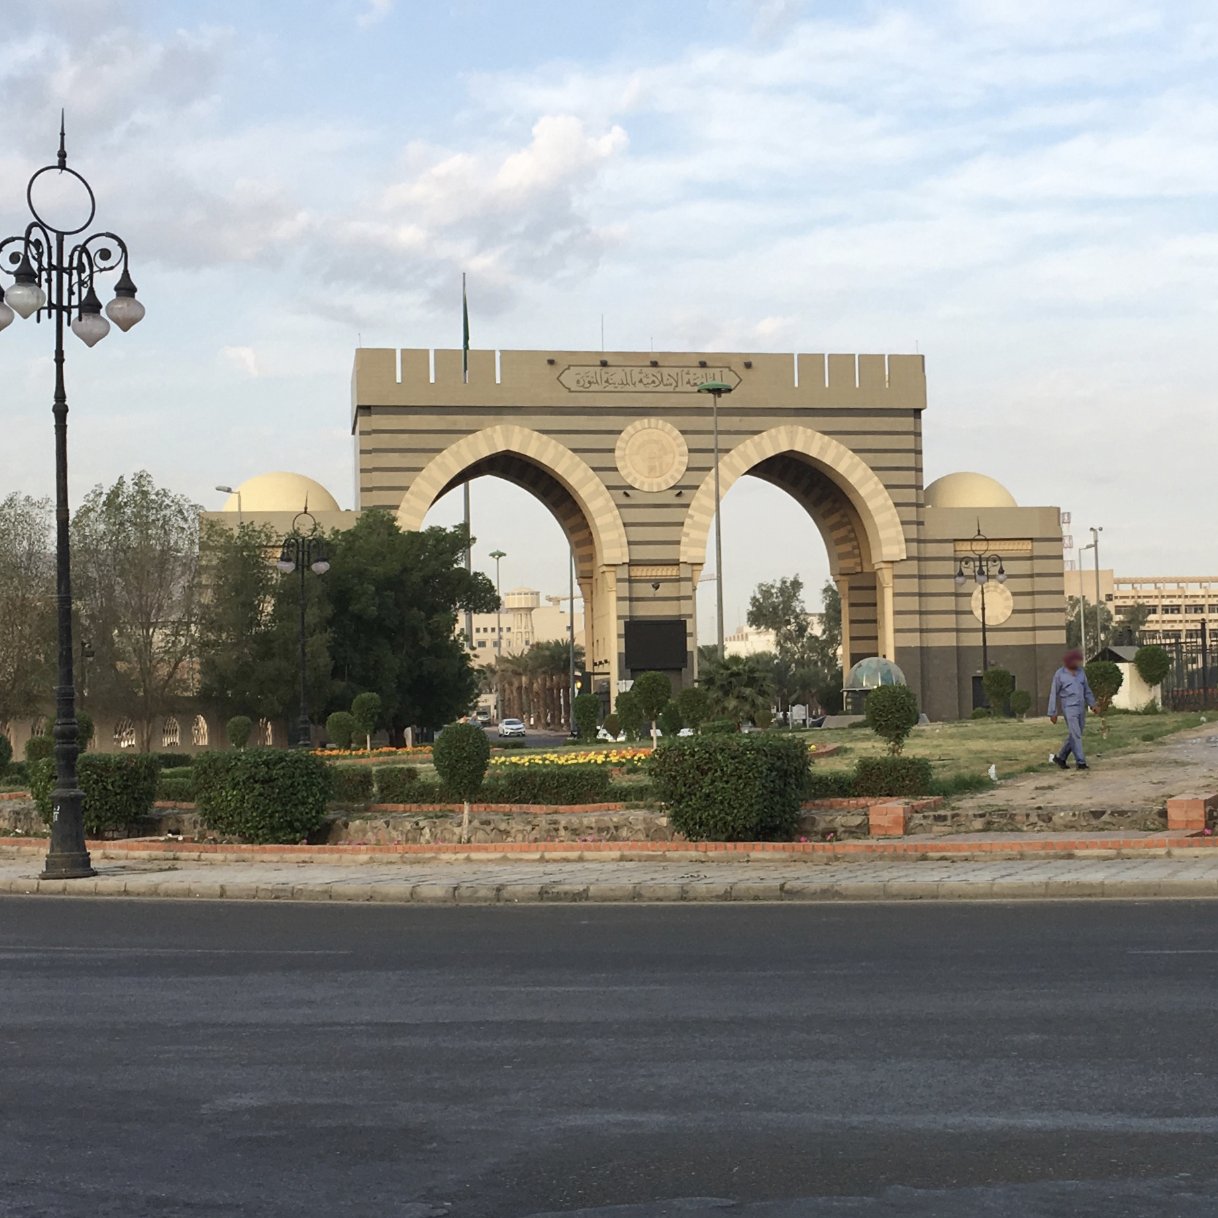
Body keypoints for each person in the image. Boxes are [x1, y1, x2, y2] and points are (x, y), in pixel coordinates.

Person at [1047, 649, 1098, 770]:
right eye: (1074, 660)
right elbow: (1054, 693)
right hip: (1069, 708)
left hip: (1081, 707)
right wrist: (1052, 712)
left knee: (1076, 734)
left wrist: (1093, 704)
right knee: (1076, 735)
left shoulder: (1081, 673)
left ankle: (1061, 757)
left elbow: (1087, 690)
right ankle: (1081, 762)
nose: (1077, 663)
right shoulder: (1060, 674)